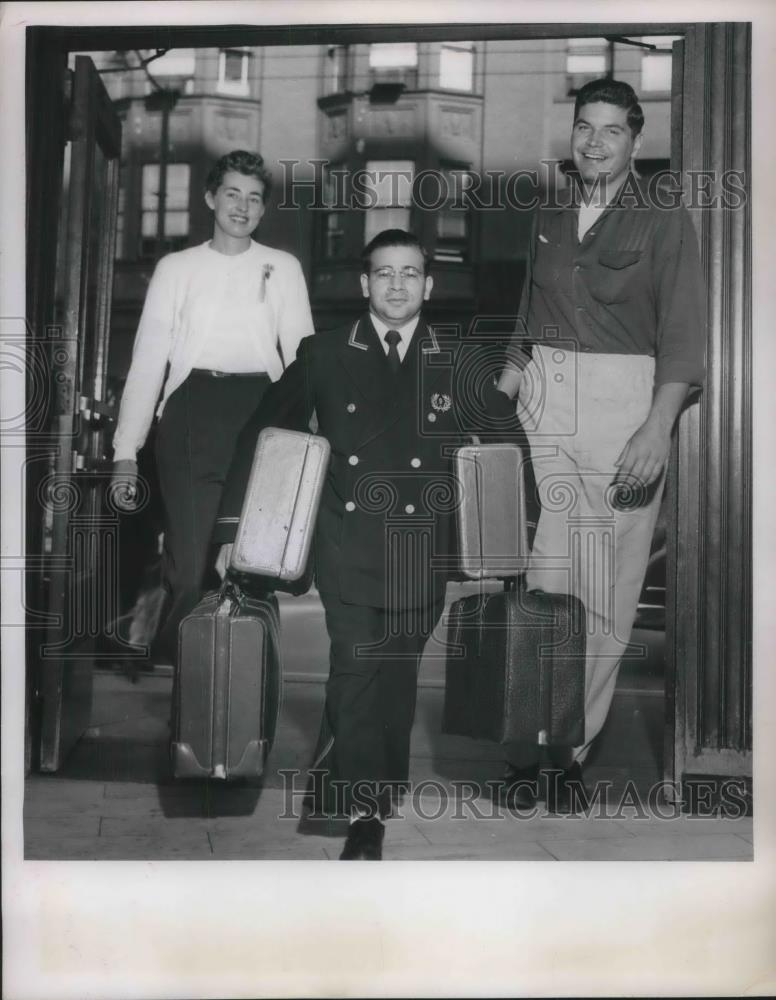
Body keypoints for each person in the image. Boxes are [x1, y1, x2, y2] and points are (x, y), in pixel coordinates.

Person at [214, 229, 506, 860]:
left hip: (424, 549)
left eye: (410, 274)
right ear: (363, 283)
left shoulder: (457, 357)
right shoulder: (322, 354)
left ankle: (364, 795)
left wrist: (513, 536)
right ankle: (362, 812)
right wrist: (235, 530)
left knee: (394, 681)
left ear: (429, 285)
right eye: (384, 274)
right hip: (347, 544)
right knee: (354, 671)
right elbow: (262, 437)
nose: (397, 285)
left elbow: (508, 445)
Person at [495, 79, 706, 811]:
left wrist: (658, 425)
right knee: (546, 588)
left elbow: (682, 335)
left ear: (635, 140)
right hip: (546, 401)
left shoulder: (663, 217)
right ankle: (529, 751)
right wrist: (511, 377)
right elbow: (526, 311)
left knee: (608, 596)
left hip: (626, 409)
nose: (594, 142)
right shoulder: (549, 212)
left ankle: (570, 754)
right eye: (585, 127)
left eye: (611, 130)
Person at [110, 149, 314, 669]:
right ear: (210, 198)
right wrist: (125, 451)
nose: (242, 207)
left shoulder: (284, 268)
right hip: (192, 414)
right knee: (192, 562)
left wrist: (315, 439)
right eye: (232, 193)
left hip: (263, 416)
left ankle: (245, 701)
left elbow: (304, 359)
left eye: (253, 198)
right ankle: (194, 698)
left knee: (253, 562)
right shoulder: (176, 268)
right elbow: (149, 360)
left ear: (264, 208)